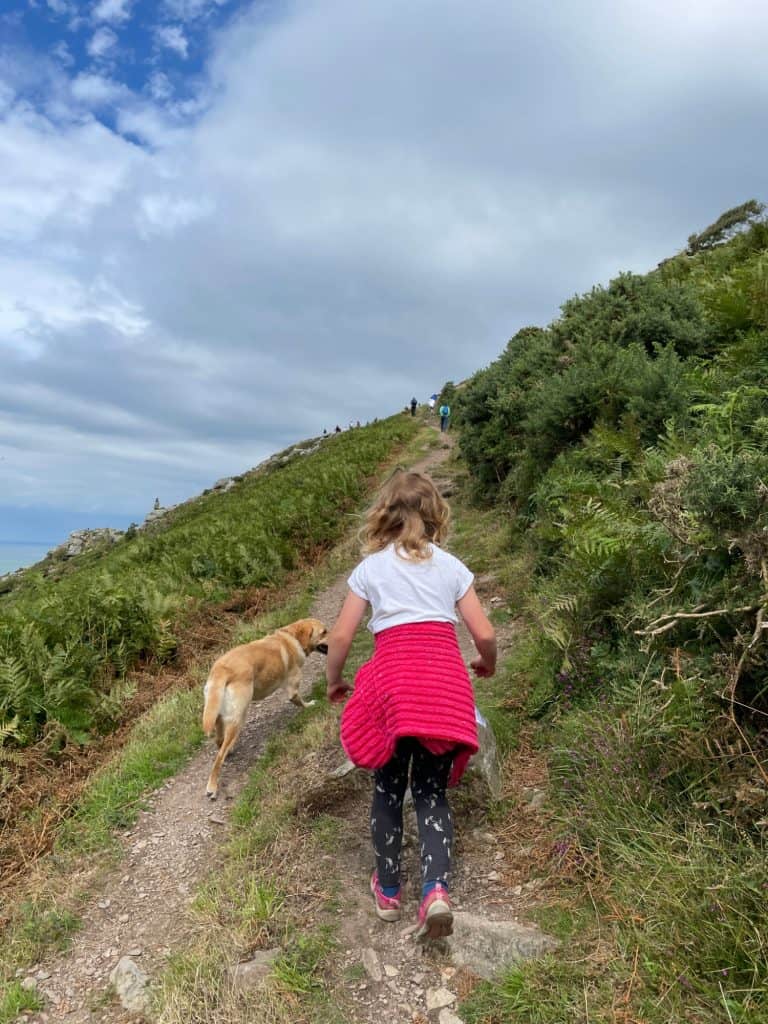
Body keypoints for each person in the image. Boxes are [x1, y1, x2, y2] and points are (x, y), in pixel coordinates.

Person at [325, 471, 497, 940]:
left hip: (393, 690)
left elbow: (340, 636)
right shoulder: (452, 567)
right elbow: (484, 633)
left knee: (386, 786)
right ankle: (435, 891)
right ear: (435, 514)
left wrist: (336, 679)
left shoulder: (372, 569)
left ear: (386, 515)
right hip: (443, 688)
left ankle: (388, 890)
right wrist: (486, 662)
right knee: (430, 792)